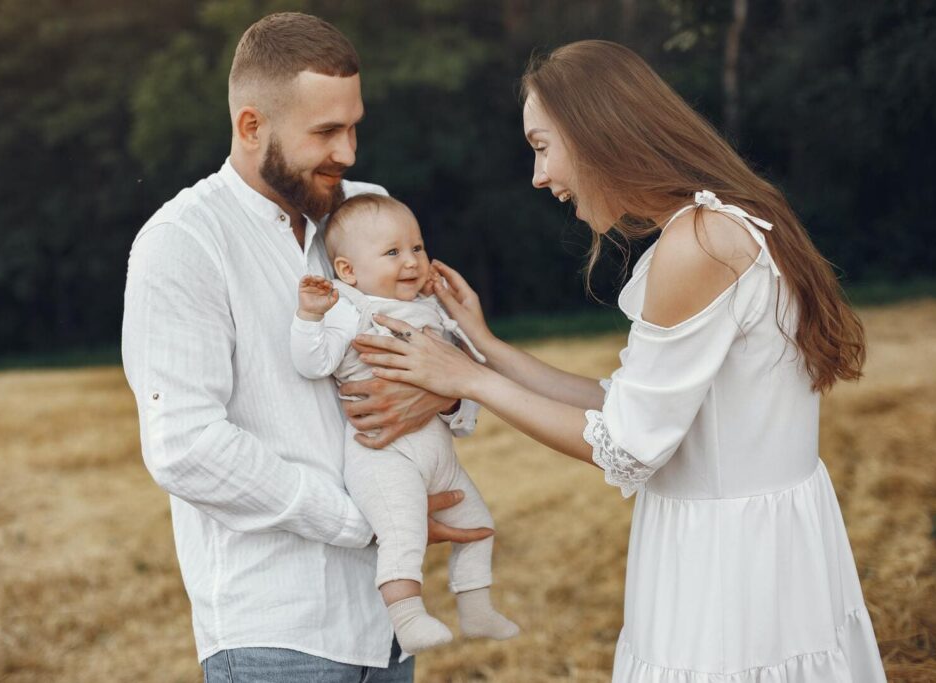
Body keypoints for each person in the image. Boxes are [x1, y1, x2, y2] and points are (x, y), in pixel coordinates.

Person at [356, 40, 887, 681]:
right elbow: (628, 403)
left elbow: (629, 446)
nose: (538, 176)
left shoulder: (698, 244)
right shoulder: (728, 221)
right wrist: (488, 349)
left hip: (727, 567)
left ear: (597, 134)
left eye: (542, 146)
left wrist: (466, 378)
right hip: (766, 544)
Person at [120, 12, 490, 682]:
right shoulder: (182, 242)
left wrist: (444, 394)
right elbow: (185, 445)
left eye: (354, 127)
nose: (348, 152)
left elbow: (443, 354)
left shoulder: (368, 212)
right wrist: (365, 519)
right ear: (251, 126)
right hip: (277, 634)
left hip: (386, 632)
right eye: (325, 132)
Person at [290, 193, 520, 655]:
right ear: (348, 270)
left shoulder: (430, 308)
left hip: (438, 455)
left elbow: (468, 369)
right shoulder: (349, 308)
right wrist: (309, 316)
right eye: (393, 252)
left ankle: (476, 607)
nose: (412, 261)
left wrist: (452, 311)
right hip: (382, 454)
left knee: (479, 523)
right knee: (403, 533)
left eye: (417, 247)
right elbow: (313, 363)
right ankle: (408, 618)